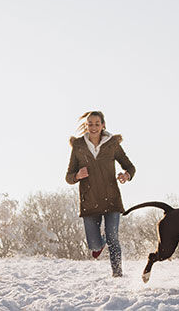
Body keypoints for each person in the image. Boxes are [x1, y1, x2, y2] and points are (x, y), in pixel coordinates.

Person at [65, 111, 136, 277]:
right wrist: (77, 176)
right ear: (86, 126)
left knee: (113, 238)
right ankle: (101, 243)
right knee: (95, 246)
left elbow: (130, 167)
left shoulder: (112, 144)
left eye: (97, 124)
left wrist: (126, 175)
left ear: (103, 125)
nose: (94, 127)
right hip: (90, 201)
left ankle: (117, 274)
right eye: (90, 124)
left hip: (111, 199)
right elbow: (68, 176)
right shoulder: (78, 146)